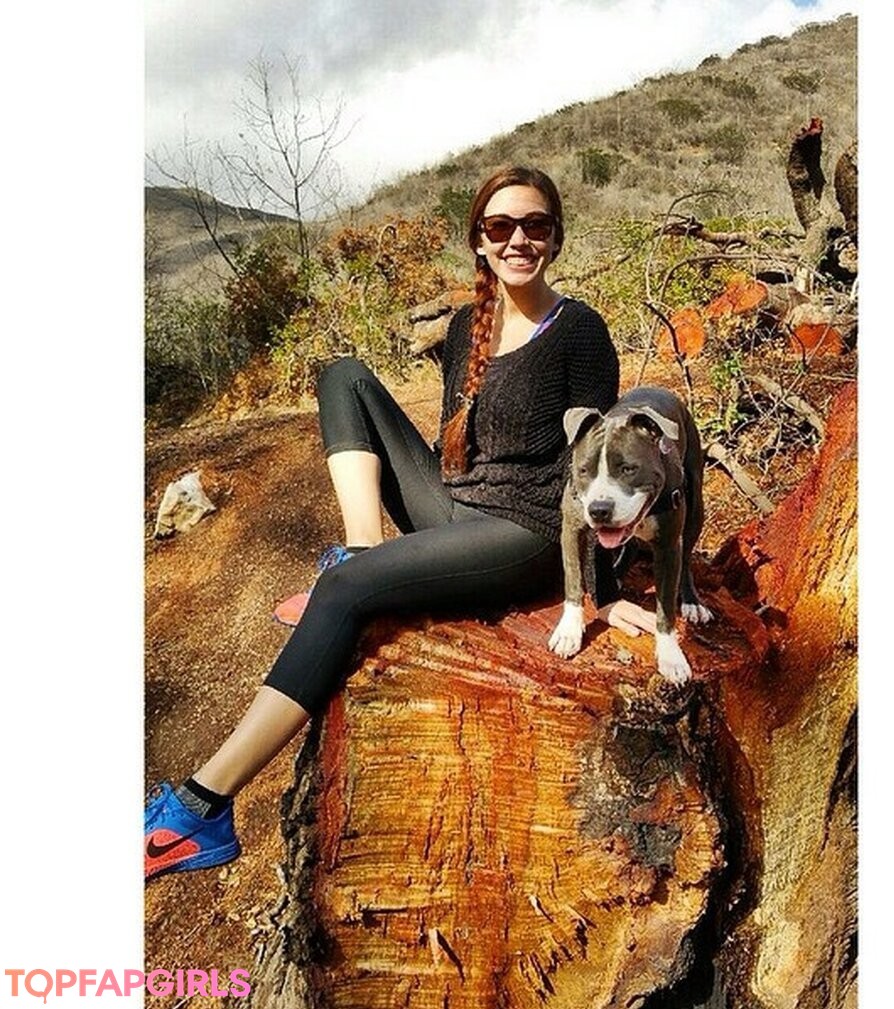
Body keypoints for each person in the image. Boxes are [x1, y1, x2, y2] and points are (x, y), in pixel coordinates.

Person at [144, 165, 657, 881]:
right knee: (344, 376)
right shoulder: (467, 326)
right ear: (479, 240)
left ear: (556, 237)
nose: (518, 240)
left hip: (526, 530)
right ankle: (360, 548)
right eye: (500, 226)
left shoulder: (580, 332)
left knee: (344, 595)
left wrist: (603, 587)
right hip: (457, 501)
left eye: (535, 225)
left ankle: (202, 808)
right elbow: (456, 445)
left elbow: (594, 465)